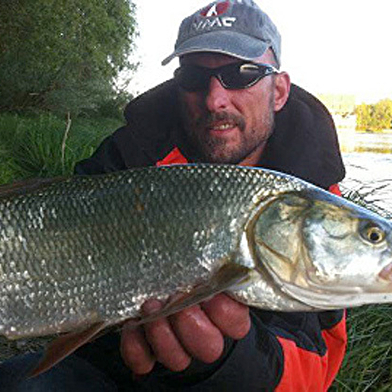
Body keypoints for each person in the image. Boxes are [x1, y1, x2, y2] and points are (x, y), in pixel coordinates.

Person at [0, 0, 347, 391]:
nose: (215, 99)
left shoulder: (310, 199)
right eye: (195, 78)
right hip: (111, 369)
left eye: (242, 74)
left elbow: (316, 363)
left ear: (279, 90)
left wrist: (224, 365)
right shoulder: (133, 152)